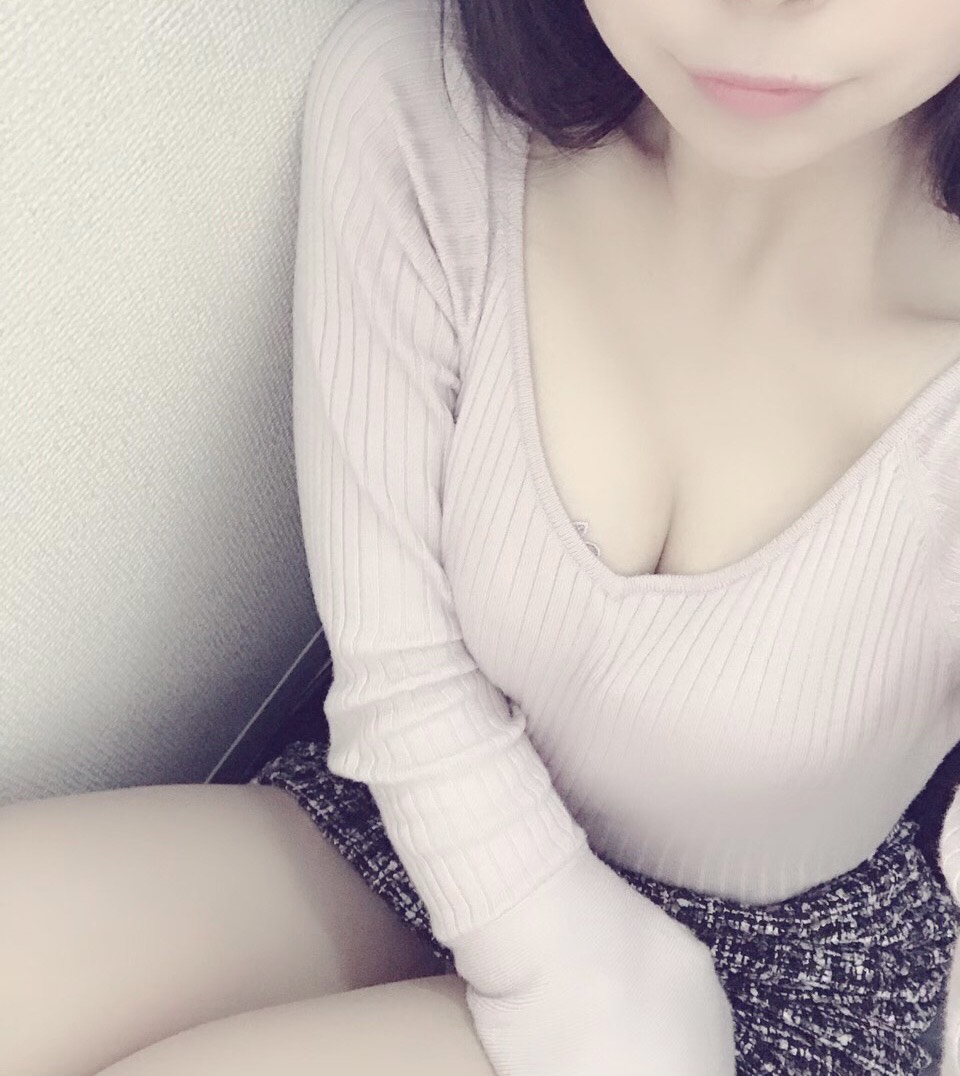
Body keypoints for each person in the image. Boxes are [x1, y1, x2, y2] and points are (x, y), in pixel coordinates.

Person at [4, 0, 960, 1072]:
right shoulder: (430, 104)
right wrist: (551, 946)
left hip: (780, 969)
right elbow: (399, 665)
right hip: (412, 801)